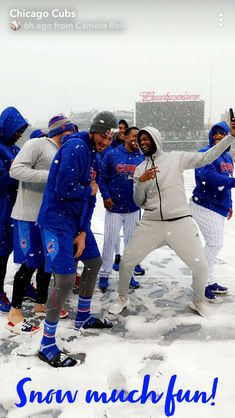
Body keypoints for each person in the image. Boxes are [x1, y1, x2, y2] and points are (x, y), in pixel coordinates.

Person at [108, 121, 235, 317]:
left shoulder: (176, 158)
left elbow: (206, 157)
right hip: (151, 223)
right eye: (141, 139)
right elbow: (138, 201)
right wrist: (142, 183)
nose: (143, 142)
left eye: (146, 138)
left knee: (200, 265)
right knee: (126, 262)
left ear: (156, 139)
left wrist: (231, 137)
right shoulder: (140, 169)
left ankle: (198, 301)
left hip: (180, 221)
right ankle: (122, 298)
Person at [37, 111, 117, 367]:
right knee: (65, 279)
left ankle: (82, 316)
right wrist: (89, 189)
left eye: (110, 136)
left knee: (94, 262)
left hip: (75, 223)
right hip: (55, 221)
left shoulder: (95, 154)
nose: (106, 140)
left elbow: (89, 199)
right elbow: (65, 188)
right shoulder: (76, 148)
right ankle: (46, 344)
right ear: (94, 131)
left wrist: (83, 232)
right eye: (103, 135)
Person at [7, 114, 75, 334]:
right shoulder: (37, 143)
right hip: (28, 215)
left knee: (47, 263)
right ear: (58, 131)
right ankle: (14, 313)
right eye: (68, 132)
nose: (72, 136)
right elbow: (15, 170)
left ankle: (41, 304)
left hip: (48, 217)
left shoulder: (62, 151)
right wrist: (50, 175)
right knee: (29, 264)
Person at [190, 121, 235, 300]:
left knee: (213, 245)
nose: (218, 136)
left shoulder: (227, 157)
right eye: (215, 133)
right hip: (204, 205)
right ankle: (199, 282)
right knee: (215, 244)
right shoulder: (204, 153)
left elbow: (227, 179)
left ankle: (208, 280)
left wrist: (229, 203)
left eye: (222, 133)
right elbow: (208, 177)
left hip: (219, 207)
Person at [98, 127, 144, 291]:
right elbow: (102, 178)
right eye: (134, 136)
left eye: (139, 137)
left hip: (133, 208)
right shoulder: (112, 154)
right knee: (110, 241)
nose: (136, 139)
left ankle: (128, 274)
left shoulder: (142, 157)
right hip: (114, 208)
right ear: (124, 137)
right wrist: (106, 196)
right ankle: (104, 274)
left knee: (131, 244)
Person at [0, 106, 28, 313]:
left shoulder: (16, 150)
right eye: (17, 130)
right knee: (1, 254)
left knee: (20, 250)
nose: (19, 135)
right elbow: (3, 180)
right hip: (2, 208)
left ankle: (25, 285)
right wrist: (21, 175)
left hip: (17, 209)